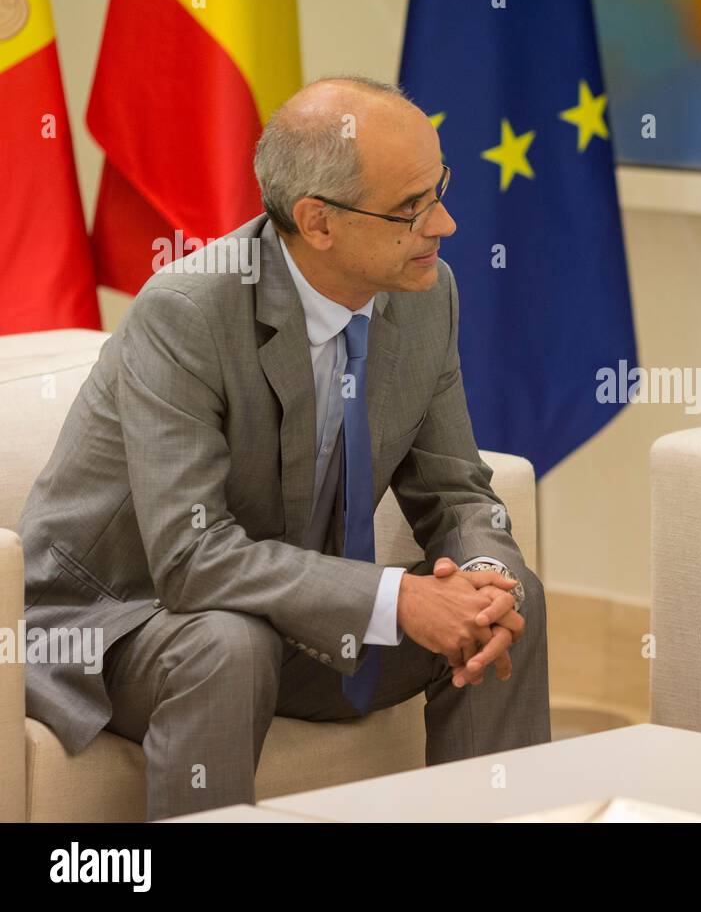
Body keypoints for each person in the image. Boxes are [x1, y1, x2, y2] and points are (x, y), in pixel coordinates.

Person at [19, 76, 550, 820]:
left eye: (440, 189)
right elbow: (190, 560)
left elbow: (457, 490)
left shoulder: (426, 295)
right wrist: (397, 599)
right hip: (118, 622)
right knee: (228, 646)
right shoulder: (188, 313)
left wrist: (486, 575)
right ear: (318, 222)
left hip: (283, 615)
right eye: (411, 208)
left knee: (507, 607)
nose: (447, 225)